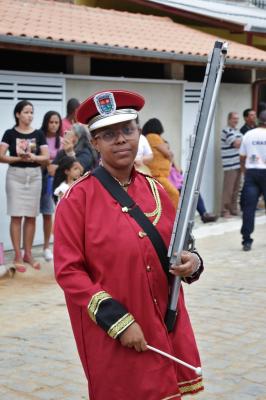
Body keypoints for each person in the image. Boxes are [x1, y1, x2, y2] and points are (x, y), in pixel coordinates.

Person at [53, 90, 204, 399]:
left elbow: (182, 245)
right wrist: (118, 323)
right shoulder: (76, 200)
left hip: (165, 320)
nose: (120, 140)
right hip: (116, 333)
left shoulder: (157, 190)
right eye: (108, 134)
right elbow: (69, 272)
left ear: (138, 133)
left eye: (127, 130)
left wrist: (193, 262)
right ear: (95, 143)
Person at [0, 100, 49, 272]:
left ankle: (28, 253)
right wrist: (18, 158)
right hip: (15, 175)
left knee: (31, 216)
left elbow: (46, 157)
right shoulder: (9, 133)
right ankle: (17, 255)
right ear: (18, 114)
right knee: (16, 216)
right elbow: (1, 156)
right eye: (26, 112)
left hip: (34, 176)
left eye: (31, 112)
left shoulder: (39, 134)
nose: (30, 115)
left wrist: (33, 157)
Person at [239, 110, 266, 251]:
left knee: (249, 208)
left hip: (251, 173)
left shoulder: (249, 134)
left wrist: (245, 172)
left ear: (259, 120)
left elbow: (242, 157)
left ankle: (246, 240)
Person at [40, 111, 62, 262]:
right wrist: (48, 164)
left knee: (49, 214)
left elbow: (66, 158)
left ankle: (46, 247)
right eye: (51, 122)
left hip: (55, 180)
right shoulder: (40, 137)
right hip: (39, 177)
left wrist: (55, 165)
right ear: (46, 122)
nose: (54, 125)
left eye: (56, 122)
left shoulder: (61, 140)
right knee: (30, 215)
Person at [142, 118, 180, 208]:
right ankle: (173, 219)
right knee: (174, 194)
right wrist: (168, 150)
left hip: (158, 174)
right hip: (158, 175)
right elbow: (168, 153)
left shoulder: (149, 137)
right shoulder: (153, 136)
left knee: (162, 199)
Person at [221, 112, 243, 218]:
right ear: (229, 119)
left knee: (236, 189)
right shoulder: (227, 130)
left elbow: (241, 143)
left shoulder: (236, 131)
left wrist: (241, 141)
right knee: (228, 189)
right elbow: (236, 144)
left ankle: (233, 209)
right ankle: (224, 211)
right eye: (234, 118)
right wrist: (242, 141)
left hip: (238, 164)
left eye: (237, 118)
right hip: (230, 164)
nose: (236, 120)